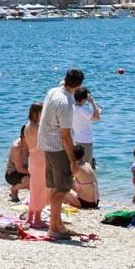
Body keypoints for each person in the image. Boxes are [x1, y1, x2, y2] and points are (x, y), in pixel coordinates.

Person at [37, 69, 84, 240]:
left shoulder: (53, 91)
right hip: (57, 147)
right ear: (79, 85)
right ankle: (53, 227)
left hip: (46, 144)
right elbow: (65, 136)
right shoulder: (65, 104)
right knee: (62, 188)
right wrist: (72, 159)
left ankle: (58, 224)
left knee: (55, 187)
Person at [23, 102, 47, 228]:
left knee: (34, 188)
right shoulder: (36, 127)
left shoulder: (27, 126)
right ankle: (37, 218)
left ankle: (30, 216)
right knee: (40, 189)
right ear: (35, 113)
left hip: (33, 157)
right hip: (40, 158)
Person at [71, 87, 101, 167]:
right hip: (86, 141)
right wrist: (92, 102)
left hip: (75, 140)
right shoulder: (83, 110)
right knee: (86, 165)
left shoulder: (71, 108)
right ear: (84, 99)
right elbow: (97, 118)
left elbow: (91, 117)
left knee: (78, 164)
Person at [65, 145, 99, 209]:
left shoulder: (75, 167)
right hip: (96, 202)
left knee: (61, 189)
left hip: (86, 203)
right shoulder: (87, 164)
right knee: (74, 180)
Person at [5, 129, 30, 203]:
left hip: (28, 171)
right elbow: (20, 169)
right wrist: (36, 173)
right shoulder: (17, 147)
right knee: (32, 181)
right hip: (13, 173)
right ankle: (14, 189)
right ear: (23, 136)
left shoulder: (34, 143)